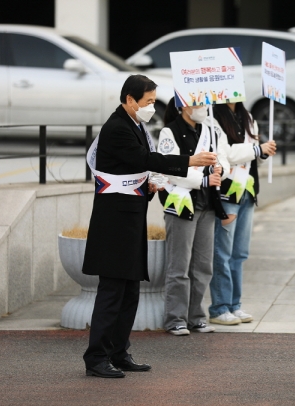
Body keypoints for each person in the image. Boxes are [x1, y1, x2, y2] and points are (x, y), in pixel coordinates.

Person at [82, 75, 217, 378]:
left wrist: (146, 186)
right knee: (112, 290)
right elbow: (144, 158)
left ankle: (119, 351)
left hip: (130, 217)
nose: (152, 107)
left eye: (154, 101)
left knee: (130, 290)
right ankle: (96, 357)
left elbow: (134, 168)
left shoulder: (136, 125)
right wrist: (189, 161)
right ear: (130, 99)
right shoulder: (116, 127)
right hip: (114, 222)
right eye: (148, 101)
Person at [157, 98, 230, 336]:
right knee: (179, 265)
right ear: (183, 106)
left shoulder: (210, 129)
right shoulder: (170, 131)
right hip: (182, 204)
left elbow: (223, 158)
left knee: (203, 265)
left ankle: (196, 316)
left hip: (207, 204)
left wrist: (220, 170)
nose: (202, 109)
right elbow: (169, 167)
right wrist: (202, 180)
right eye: (197, 103)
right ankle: (175, 318)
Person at [207, 102, 277, 325]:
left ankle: (234, 305)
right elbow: (224, 153)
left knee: (240, 253)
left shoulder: (246, 116)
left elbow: (253, 152)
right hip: (227, 193)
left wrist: (264, 151)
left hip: (247, 190)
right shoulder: (213, 116)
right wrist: (257, 149)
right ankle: (219, 307)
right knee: (222, 253)